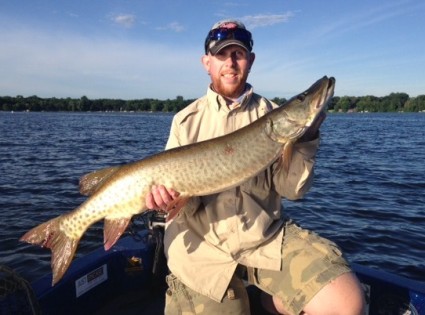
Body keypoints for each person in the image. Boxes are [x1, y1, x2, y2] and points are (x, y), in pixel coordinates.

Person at [146, 19, 365, 315]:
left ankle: (270, 299)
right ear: (207, 63)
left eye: (238, 54)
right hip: (202, 249)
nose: (230, 63)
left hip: (264, 240)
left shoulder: (273, 116)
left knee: (346, 304)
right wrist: (165, 201)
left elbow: (292, 190)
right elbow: (175, 197)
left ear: (250, 60)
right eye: (222, 55)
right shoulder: (185, 121)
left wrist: (307, 138)